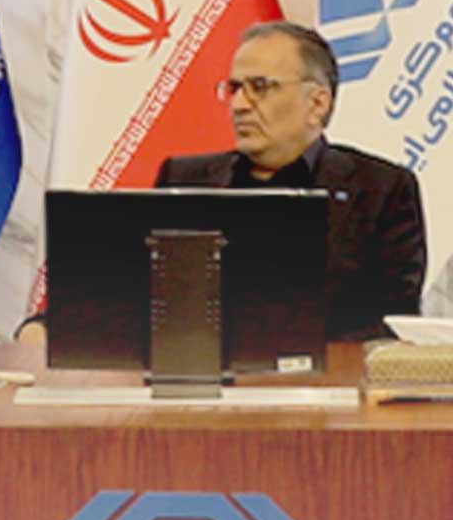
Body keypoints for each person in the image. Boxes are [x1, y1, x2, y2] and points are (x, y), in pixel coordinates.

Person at [153, 20, 430, 341]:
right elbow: (146, 306)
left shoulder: (380, 191)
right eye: (235, 88)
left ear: (317, 103)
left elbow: (392, 324)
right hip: (206, 369)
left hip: (331, 370)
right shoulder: (184, 181)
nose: (239, 105)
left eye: (260, 87)